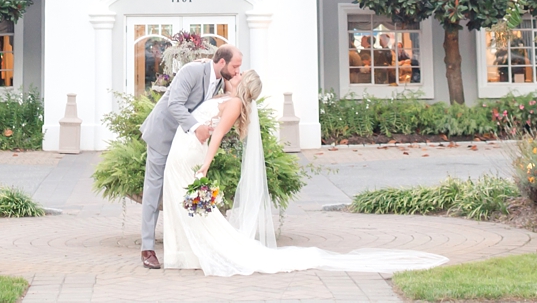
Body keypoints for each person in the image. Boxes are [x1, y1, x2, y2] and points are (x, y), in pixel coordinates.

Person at [158, 69, 448, 277]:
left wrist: (206, 165)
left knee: (185, 201)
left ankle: (196, 252)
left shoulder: (234, 103)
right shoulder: (226, 97)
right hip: (185, 147)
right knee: (179, 201)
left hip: (190, 154)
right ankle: (188, 252)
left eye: (238, 73)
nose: (234, 73)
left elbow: (218, 134)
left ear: (243, 83)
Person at [138, 44, 241, 269]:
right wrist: (196, 128)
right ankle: (147, 249)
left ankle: (185, 247)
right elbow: (174, 104)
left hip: (184, 145)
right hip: (163, 136)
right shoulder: (191, 71)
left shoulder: (220, 80)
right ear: (222, 62)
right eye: (235, 66)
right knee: (154, 192)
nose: (237, 71)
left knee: (183, 191)